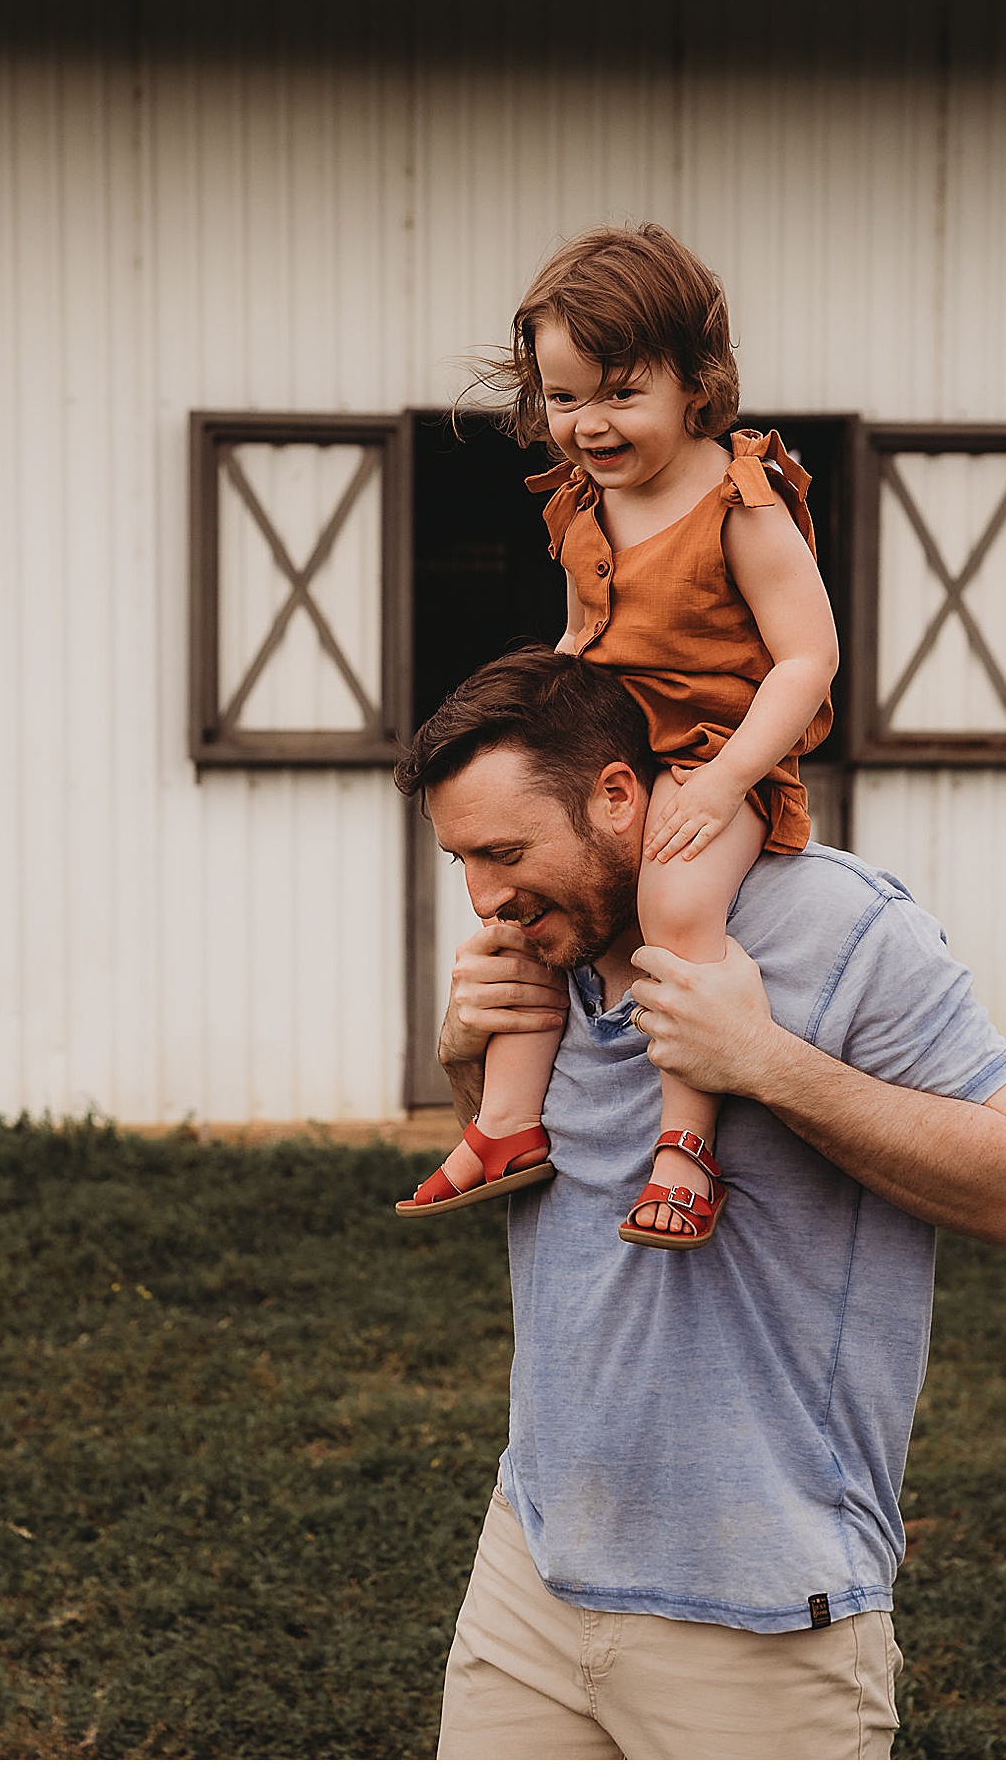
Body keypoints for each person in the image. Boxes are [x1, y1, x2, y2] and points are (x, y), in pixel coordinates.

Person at [394, 646, 1006, 1760]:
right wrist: (469, 1059)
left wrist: (765, 1061)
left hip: (760, 1612)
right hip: (533, 1570)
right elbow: (550, 1173)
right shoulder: (544, 946)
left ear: (618, 795)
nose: (486, 897)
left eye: (505, 852)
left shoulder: (845, 926)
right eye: (461, 858)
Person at [396, 223, 839, 1248]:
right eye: (563, 397)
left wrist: (726, 780)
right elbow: (584, 639)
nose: (588, 423)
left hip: (718, 754)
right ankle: (507, 1122)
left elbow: (808, 658)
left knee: (675, 897)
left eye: (618, 392)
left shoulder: (742, 499)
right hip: (609, 755)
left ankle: (685, 1143)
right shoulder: (584, 502)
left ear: (697, 382)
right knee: (527, 904)